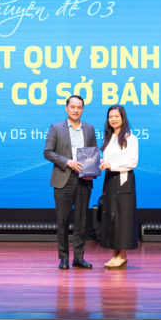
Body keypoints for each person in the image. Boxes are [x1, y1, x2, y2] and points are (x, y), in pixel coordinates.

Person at [43, 95, 97, 270]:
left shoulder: (89, 128)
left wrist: (92, 171)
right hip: (63, 178)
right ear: (66, 108)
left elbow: (93, 152)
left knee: (81, 222)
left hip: (83, 180)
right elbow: (48, 152)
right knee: (63, 221)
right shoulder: (56, 128)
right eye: (72, 107)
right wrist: (67, 161)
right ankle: (64, 258)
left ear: (83, 109)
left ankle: (79, 258)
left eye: (79, 107)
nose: (75, 110)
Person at [98, 105, 138, 268]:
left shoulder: (130, 138)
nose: (113, 119)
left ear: (123, 118)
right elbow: (110, 159)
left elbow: (132, 162)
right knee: (111, 217)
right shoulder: (109, 138)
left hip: (123, 180)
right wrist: (102, 162)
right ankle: (115, 254)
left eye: (116, 116)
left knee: (123, 218)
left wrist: (111, 165)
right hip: (109, 179)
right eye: (110, 117)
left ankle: (122, 255)